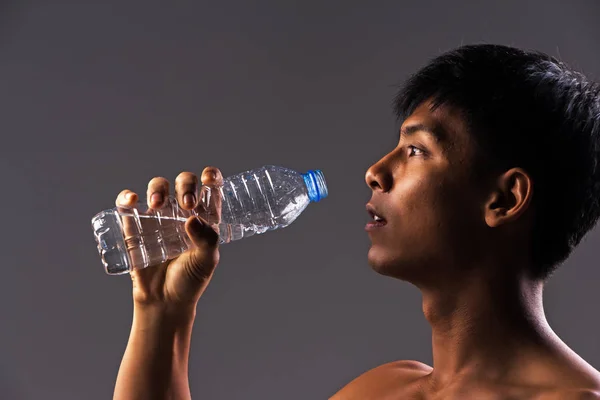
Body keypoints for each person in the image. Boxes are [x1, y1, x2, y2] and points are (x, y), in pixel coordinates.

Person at [112, 44, 600, 399]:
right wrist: (162, 313)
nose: (375, 171)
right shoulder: (385, 389)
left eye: (415, 150)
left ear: (504, 199)